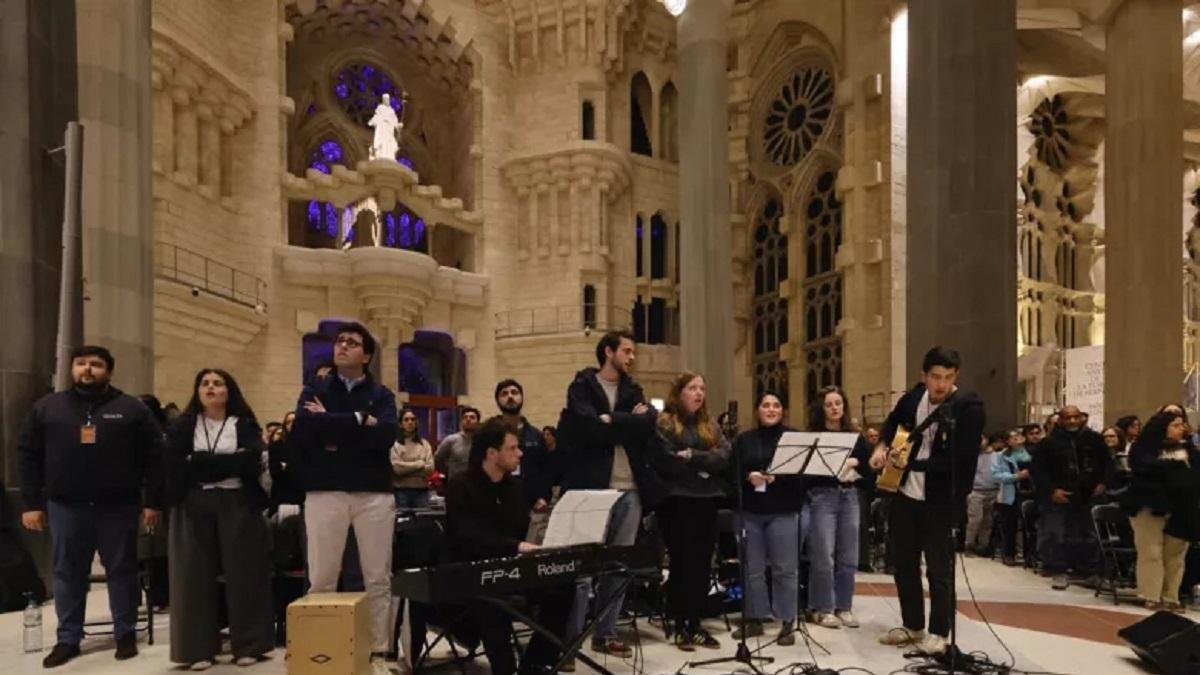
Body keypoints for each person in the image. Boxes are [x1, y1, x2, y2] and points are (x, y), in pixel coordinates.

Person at [17, 345, 164, 668]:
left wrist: (152, 501)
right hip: (66, 506)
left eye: (95, 365)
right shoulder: (48, 407)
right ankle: (68, 638)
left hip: (119, 506)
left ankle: (125, 634)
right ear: (72, 369)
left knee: (122, 571)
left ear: (109, 371)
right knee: (68, 573)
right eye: (81, 364)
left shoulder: (131, 409)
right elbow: (27, 455)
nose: (87, 369)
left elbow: (155, 457)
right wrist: (31, 503)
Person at [868, 346, 985, 656]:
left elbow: (960, 461)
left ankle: (939, 631)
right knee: (903, 563)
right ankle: (912, 625)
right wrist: (881, 447)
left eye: (948, 378)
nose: (941, 385)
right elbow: (892, 423)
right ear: (924, 375)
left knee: (939, 569)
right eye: (935, 377)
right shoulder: (912, 398)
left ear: (956, 377)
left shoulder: (968, 408)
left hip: (941, 500)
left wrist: (909, 464)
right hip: (905, 494)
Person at [291, 321, 398, 656]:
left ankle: (379, 650)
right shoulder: (315, 389)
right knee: (322, 577)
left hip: (374, 494)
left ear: (366, 355)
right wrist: (357, 420)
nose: (342, 346)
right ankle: (322, 654)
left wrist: (332, 427)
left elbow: (385, 437)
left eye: (352, 342)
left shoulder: (382, 396)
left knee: (377, 578)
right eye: (339, 341)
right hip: (326, 492)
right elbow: (304, 432)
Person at [557, 330, 662, 659]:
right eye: (627, 351)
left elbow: (649, 424)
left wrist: (613, 420)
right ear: (608, 351)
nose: (632, 357)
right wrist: (628, 421)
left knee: (617, 567)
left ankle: (606, 632)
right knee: (582, 571)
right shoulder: (581, 387)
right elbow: (587, 429)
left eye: (634, 352)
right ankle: (569, 641)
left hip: (629, 489)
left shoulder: (634, 389)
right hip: (591, 488)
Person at [444, 417, 573, 675]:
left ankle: (536, 665)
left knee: (562, 586)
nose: (520, 453)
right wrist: (516, 546)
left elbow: (522, 532)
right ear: (492, 453)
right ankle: (505, 670)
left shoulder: (515, 487)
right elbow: (465, 537)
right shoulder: (460, 485)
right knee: (492, 597)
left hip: (511, 568)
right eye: (512, 448)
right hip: (471, 571)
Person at [164, 369, 274, 669]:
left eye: (218, 383)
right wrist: (228, 462)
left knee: (245, 572)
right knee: (192, 575)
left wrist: (199, 461)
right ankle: (196, 649)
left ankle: (249, 644)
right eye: (205, 383)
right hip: (193, 502)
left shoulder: (244, 424)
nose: (211, 388)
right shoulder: (183, 426)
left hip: (238, 502)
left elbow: (250, 462)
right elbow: (175, 464)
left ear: (229, 391)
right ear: (197, 391)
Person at [652, 371, 730, 650]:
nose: (698, 393)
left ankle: (695, 622)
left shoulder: (710, 424)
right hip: (677, 500)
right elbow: (668, 460)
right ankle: (679, 622)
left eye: (702, 388)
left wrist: (695, 457)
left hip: (706, 499)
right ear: (679, 392)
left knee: (702, 563)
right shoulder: (664, 422)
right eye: (692, 388)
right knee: (682, 562)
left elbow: (724, 454)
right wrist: (702, 466)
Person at [731, 392, 801, 646]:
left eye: (776, 405)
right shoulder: (744, 440)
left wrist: (779, 477)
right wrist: (749, 477)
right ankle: (754, 619)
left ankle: (787, 622)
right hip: (750, 511)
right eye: (765, 405)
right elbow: (732, 474)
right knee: (752, 569)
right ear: (757, 410)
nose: (771, 409)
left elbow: (803, 476)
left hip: (783, 510)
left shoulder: (793, 438)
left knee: (785, 569)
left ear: (782, 410)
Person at [804, 386, 873, 630]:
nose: (835, 408)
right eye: (829, 404)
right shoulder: (814, 436)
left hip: (849, 496)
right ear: (821, 409)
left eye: (839, 403)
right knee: (823, 554)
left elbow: (868, 467)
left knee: (849, 555)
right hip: (823, 496)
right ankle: (822, 608)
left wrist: (855, 461)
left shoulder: (856, 436)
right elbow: (807, 473)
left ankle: (844, 606)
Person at [1122, 409, 1200, 611]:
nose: (1181, 428)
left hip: (1183, 509)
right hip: (1150, 506)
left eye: (1182, 425)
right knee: (1152, 552)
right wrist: (1174, 466)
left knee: (1175, 554)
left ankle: (1171, 596)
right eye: (1175, 425)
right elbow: (1146, 470)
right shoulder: (1143, 449)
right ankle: (1151, 595)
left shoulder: (1191, 451)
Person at [1033, 405, 1109, 590]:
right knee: (1056, 534)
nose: (1073, 421)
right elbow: (1038, 471)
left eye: (1076, 417)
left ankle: (1091, 571)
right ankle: (1058, 570)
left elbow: (1107, 463)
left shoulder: (1094, 439)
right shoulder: (1048, 443)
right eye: (1068, 418)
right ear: (1060, 420)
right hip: (1059, 496)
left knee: (1090, 534)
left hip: (1087, 495)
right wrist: (1052, 490)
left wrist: (1103, 482)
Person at [495, 379, 556, 540]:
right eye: (504, 393)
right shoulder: (491, 433)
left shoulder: (535, 435)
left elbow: (546, 469)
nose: (510, 397)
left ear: (522, 398)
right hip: (499, 503)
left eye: (514, 393)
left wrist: (544, 496)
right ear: (497, 400)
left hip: (531, 504)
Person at [991, 428, 1032, 566]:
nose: (1017, 439)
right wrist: (1016, 476)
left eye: (1019, 436)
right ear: (1007, 441)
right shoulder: (1000, 456)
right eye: (1013, 437)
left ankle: (1029, 556)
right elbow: (996, 475)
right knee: (1009, 526)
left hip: (1030, 493)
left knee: (1028, 525)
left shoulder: (1031, 453)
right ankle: (1008, 554)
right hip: (1009, 494)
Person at [964, 433, 1003, 557]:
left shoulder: (997, 456)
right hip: (976, 491)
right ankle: (968, 545)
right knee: (975, 519)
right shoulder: (971, 456)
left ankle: (983, 546)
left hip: (992, 490)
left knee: (987, 521)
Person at [391, 408, 434, 509]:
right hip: (401, 491)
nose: (410, 422)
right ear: (400, 424)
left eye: (412, 419)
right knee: (404, 523)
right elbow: (397, 469)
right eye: (406, 420)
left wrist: (406, 468)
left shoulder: (425, 444)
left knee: (422, 522)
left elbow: (430, 469)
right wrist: (419, 464)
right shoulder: (395, 445)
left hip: (422, 491)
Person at [857, 427, 881, 573]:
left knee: (863, 525)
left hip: (865, 490)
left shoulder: (869, 448)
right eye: (870, 435)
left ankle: (863, 560)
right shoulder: (864, 446)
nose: (873, 438)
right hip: (858, 488)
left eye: (875, 435)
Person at [434, 407, 481, 481]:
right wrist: (447, 474)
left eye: (472, 417)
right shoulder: (451, 440)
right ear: (461, 421)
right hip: (455, 484)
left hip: (476, 484)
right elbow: (438, 459)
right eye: (465, 417)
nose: (468, 419)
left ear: (478, 422)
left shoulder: (482, 441)